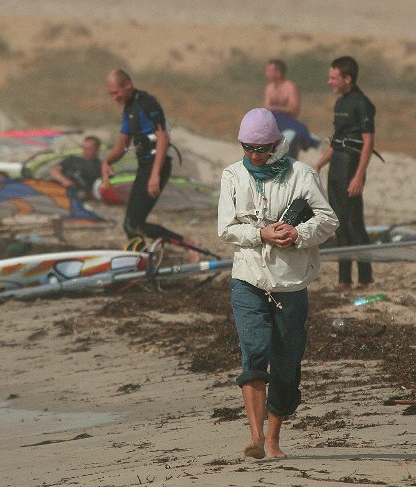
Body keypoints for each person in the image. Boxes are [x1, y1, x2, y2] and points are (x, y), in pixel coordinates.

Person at [218, 108, 338, 459]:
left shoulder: (302, 175)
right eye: (248, 147)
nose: (255, 155)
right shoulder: (232, 175)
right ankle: (255, 439)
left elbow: (329, 220)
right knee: (254, 353)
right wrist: (261, 233)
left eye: (262, 148)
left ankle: (273, 438)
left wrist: (298, 233)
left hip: (291, 284)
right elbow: (225, 228)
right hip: (248, 279)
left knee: (286, 367)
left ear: (276, 144)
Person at [101, 68, 200, 257]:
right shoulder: (129, 108)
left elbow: (163, 138)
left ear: (127, 85)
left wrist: (155, 174)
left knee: (132, 224)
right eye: (111, 94)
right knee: (133, 224)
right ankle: (185, 245)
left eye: (116, 92)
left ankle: (178, 248)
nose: (114, 97)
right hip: (146, 167)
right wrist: (107, 161)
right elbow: (123, 143)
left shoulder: (146, 103)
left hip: (157, 166)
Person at [313, 56, 376, 290]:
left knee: (354, 223)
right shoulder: (340, 104)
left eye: (333, 78)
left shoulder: (362, 104)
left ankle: (366, 277)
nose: (329, 82)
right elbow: (336, 140)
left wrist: (359, 176)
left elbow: (368, 143)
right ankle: (344, 279)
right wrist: (319, 164)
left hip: (352, 165)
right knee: (338, 222)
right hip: (336, 165)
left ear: (347, 79)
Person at [263, 59, 319, 159]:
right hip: (274, 122)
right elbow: (267, 108)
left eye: (269, 71)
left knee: (289, 152)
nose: (266, 74)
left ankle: (307, 138)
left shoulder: (290, 87)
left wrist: (275, 107)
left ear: (278, 72)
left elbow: (294, 110)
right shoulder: (269, 88)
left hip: (288, 123)